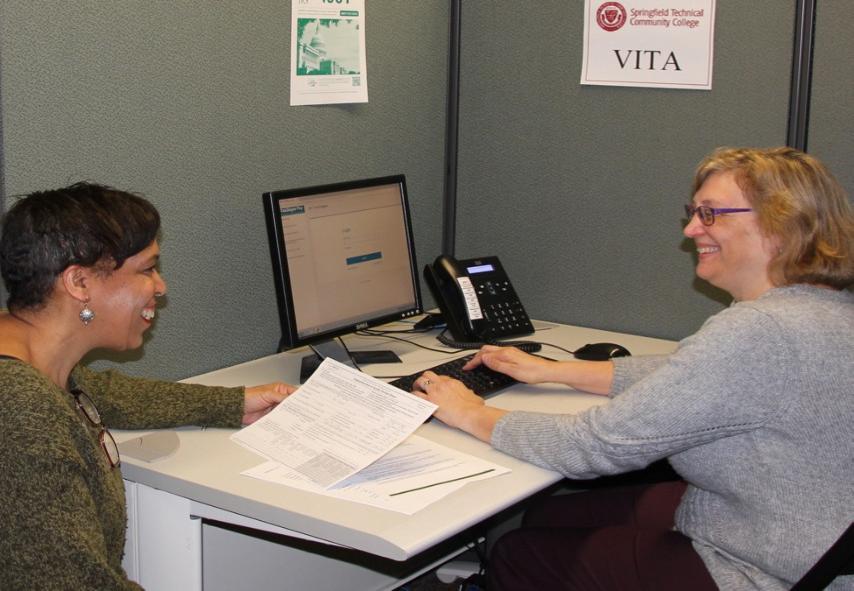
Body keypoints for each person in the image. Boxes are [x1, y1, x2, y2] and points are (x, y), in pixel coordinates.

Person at [411, 147, 854, 590]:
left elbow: (594, 445)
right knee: (549, 513)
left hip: (768, 568)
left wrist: (470, 412)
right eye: (694, 212)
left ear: (779, 223)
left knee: (520, 554)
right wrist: (556, 371)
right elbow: (690, 373)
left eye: (710, 214)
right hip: (791, 528)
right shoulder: (823, 308)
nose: (691, 228)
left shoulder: (762, 330)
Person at [0, 182, 298, 590]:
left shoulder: (27, 352)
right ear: (79, 283)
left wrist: (233, 402)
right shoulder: (20, 408)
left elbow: (107, 395)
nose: (161, 287)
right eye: (146, 269)